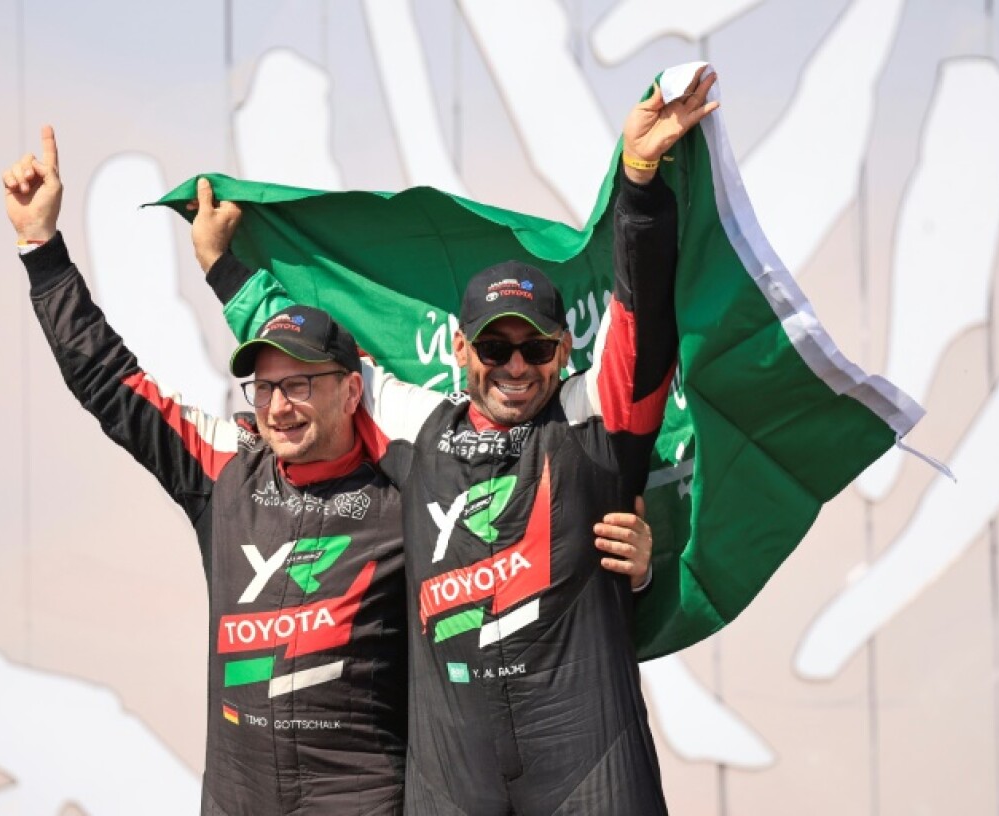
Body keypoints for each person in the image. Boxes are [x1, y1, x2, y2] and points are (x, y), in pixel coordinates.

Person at [3, 127, 655, 815]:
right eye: (265, 388)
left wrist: (639, 567)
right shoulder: (226, 472)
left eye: (301, 386)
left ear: (354, 390)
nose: (280, 406)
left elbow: (531, 538)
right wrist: (43, 252)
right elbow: (110, 384)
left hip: (365, 800)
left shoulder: (406, 488)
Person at [197, 68, 719, 814]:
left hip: (589, 770)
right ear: (462, 350)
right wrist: (225, 270)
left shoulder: (589, 425)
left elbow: (643, 317)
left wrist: (638, 181)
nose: (514, 367)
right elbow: (316, 356)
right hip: (453, 784)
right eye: (494, 347)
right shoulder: (419, 430)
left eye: (534, 349)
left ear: (564, 351)